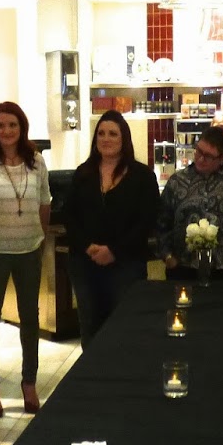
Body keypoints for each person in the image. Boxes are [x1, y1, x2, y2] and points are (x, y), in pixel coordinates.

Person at [0, 101, 51, 417]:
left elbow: (44, 202)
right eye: (1, 125)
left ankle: (29, 382)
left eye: (13, 125)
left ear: (22, 128)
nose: (7, 131)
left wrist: (40, 237)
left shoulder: (37, 162)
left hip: (28, 249)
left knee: (30, 317)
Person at [64, 109, 160, 345]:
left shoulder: (143, 176)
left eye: (113, 134)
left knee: (124, 329)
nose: (106, 139)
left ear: (124, 138)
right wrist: (88, 247)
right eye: (101, 133)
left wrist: (114, 251)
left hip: (126, 265)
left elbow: (146, 221)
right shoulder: (83, 173)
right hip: (85, 264)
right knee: (90, 329)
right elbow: (69, 216)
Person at [157, 122, 223, 274]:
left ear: (222, 158)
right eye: (199, 151)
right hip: (186, 266)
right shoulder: (177, 181)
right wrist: (168, 256)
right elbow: (162, 222)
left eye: (208, 156)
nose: (201, 159)